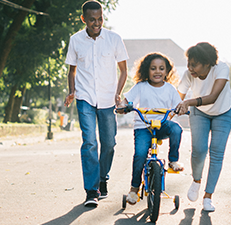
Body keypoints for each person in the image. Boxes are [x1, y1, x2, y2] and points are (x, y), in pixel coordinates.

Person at [63, 0, 129, 207]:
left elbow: (124, 70)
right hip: (84, 98)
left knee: (109, 143)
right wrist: (72, 91)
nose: (97, 23)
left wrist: (118, 93)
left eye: (100, 19)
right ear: (84, 19)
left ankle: (102, 179)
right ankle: (91, 191)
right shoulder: (75, 40)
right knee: (90, 142)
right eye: (92, 20)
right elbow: (72, 70)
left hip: (108, 99)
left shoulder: (114, 39)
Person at [117, 52, 184, 205]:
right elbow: (126, 101)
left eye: (161, 68)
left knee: (177, 129)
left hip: (162, 125)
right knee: (140, 155)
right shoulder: (140, 87)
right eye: (153, 68)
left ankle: (173, 160)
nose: (157, 72)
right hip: (143, 127)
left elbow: (178, 105)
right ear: (147, 70)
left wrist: (181, 108)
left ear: (167, 72)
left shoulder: (170, 89)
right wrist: (122, 106)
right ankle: (134, 189)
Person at [175, 42, 231, 212]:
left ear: (207, 63)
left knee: (216, 152)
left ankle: (208, 196)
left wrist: (188, 102)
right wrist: (173, 110)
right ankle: (196, 180)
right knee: (199, 149)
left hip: (223, 111)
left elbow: (213, 97)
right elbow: (177, 98)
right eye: (189, 63)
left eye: (194, 64)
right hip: (199, 113)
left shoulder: (221, 69)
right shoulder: (189, 75)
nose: (190, 68)